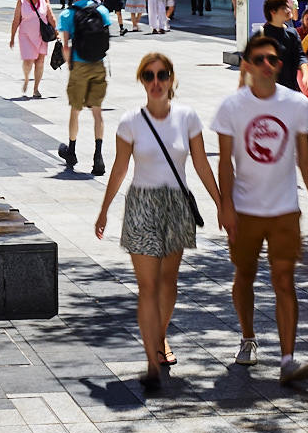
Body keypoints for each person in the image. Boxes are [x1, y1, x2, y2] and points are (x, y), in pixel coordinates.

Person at [94, 52, 228, 391]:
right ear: (142, 80)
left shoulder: (187, 117)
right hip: (142, 204)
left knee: (169, 283)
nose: (156, 82)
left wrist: (220, 203)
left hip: (176, 205)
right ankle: (152, 362)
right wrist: (104, 208)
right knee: (148, 287)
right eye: (149, 76)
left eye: (162, 75)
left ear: (172, 79)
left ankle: (161, 337)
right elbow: (120, 168)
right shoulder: (129, 122)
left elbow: (200, 164)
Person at [214, 29, 308, 384]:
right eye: (259, 59)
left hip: (284, 210)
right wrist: (225, 205)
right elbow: (224, 163)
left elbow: (306, 159)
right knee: (244, 275)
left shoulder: (296, 104)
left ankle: (288, 358)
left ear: (280, 65)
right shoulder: (232, 107)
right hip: (245, 210)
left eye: (273, 59)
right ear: (246, 64)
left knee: (284, 280)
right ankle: (248, 338)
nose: (266, 65)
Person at [57, 0, 118, 175]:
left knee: (75, 110)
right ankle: (98, 157)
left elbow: (65, 46)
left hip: (79, 65)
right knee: (97, 111)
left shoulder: (67, 14)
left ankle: (72, 151)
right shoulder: (101, 10)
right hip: (99, 64)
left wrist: (71, 66)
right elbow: (106, 37)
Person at [10, 0, 55, 100]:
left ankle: (36, 89)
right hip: (26, 35)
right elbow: (16, 20)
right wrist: (12, 37)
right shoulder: (21, 0)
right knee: (28, 61)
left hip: (41, 34)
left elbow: (50, 16)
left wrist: (57, 31)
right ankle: (26, 79)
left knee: (40, 61)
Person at [255, 0, 305, 92]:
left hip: (290, 89)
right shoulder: (263, 33)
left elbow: (300, 56)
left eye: (288, 6)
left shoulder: (292, 33)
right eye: (284, 7)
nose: (288, 10)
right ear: (273, 12)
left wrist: (306, 72)